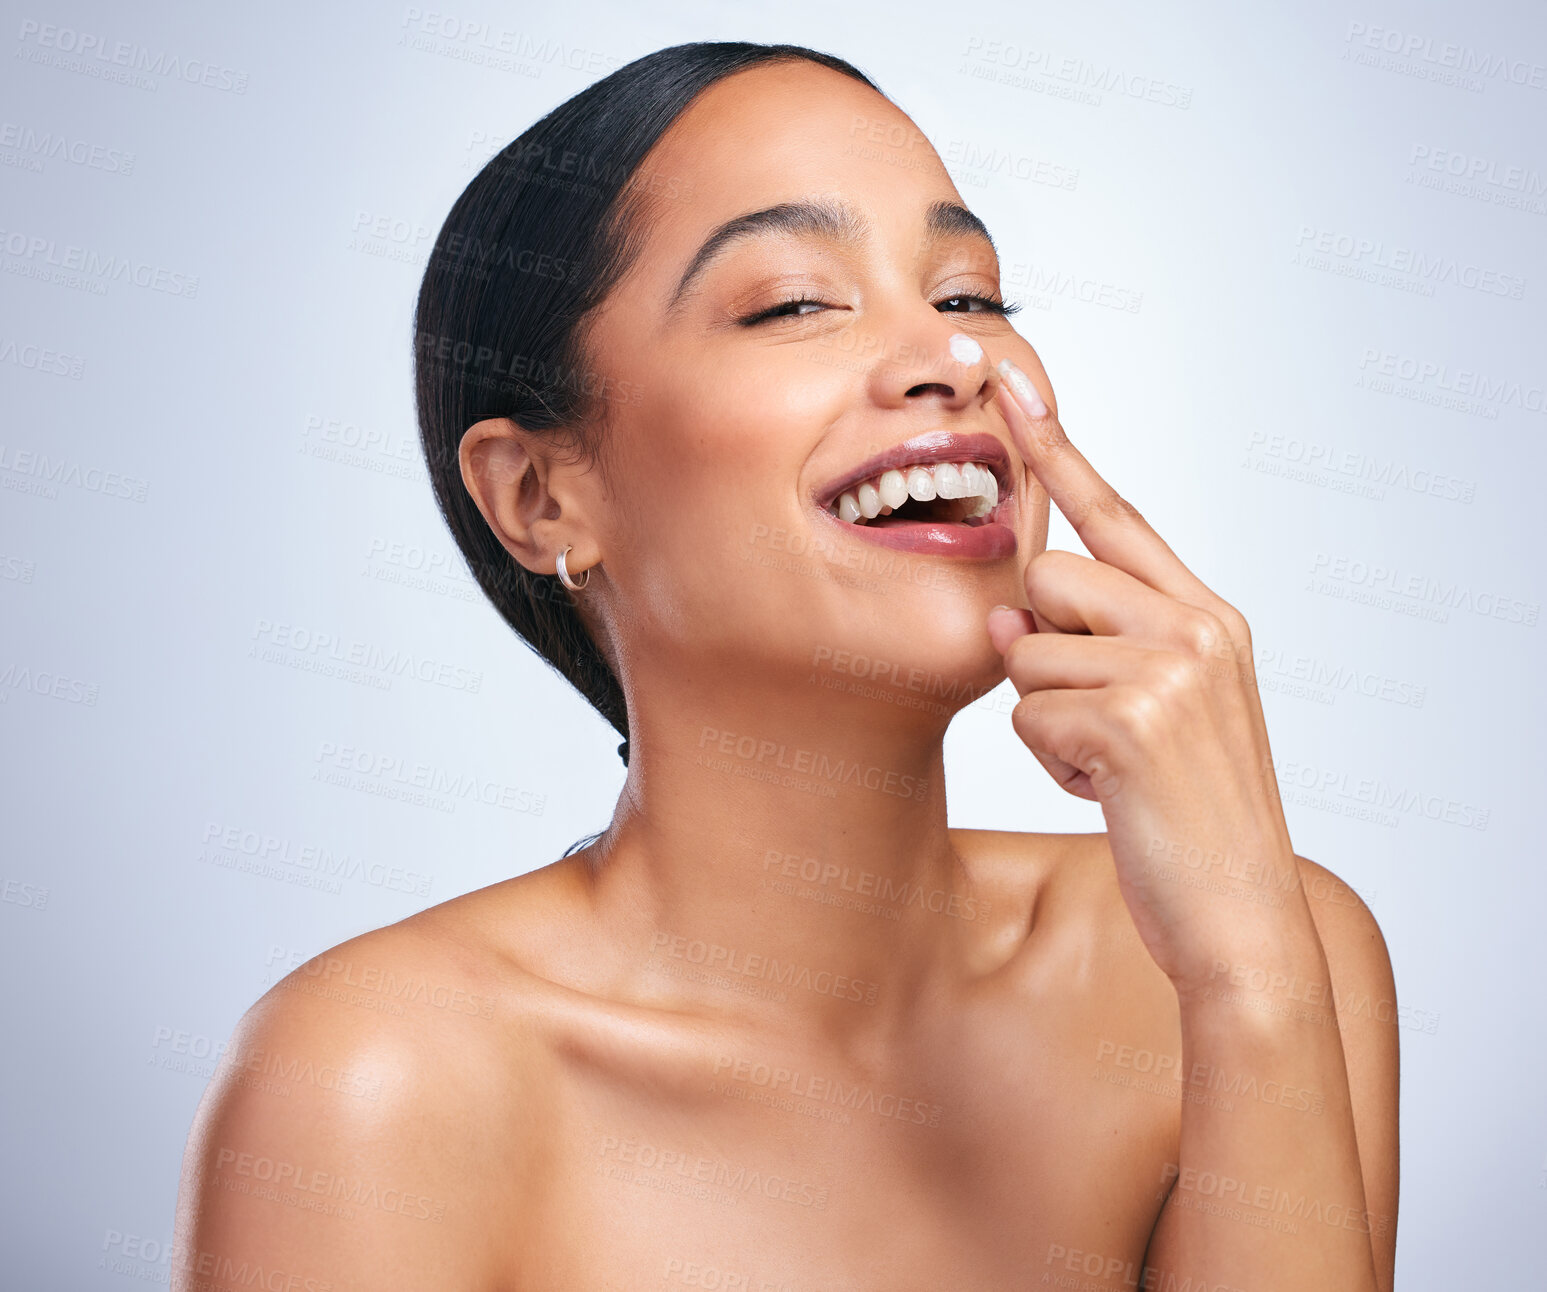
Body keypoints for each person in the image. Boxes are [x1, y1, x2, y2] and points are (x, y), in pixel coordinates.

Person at [173, 41, 1398, 1291]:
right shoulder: (376, 1082)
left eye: (969, 295)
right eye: (796, 301)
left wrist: (1251, 982)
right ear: (541, 497)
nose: (952, 357)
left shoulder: (1244, 963)